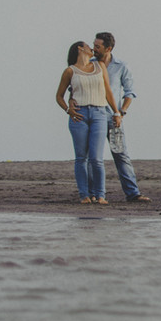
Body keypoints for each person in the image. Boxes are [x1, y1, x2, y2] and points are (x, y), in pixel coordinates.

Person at [72, 32, 151, 202]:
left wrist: (121, 112)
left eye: (98, 46)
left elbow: (129, 92)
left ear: (108, 48)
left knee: (121, 154)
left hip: (113, 117)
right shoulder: (90, 64)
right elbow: (76, 86)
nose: (94, 48)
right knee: (93, 157)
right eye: (93, 45)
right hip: (94, 115)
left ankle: (133, 193)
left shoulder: (121, 66)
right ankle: (93, 193)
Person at [56, 41, 122, 204]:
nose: (92, 49)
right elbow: (59, 96)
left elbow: (107, 91)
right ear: (80, 48)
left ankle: (100, 195)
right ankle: (84, 195)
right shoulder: (70, 71)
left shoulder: (100, 66)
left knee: (96, 158)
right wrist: (67, 109)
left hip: (99, 113)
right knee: (81, 157)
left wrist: (116, 112)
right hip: (79, 114)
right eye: (88, 46)